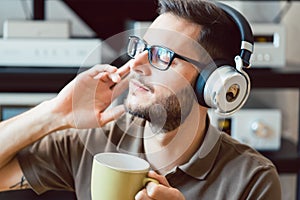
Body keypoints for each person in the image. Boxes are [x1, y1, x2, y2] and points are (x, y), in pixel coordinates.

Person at [0, 0, 281, 199]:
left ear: (211, 84)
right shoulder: (92, 141)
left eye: (162, 56)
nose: (136, 64)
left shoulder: (252, 179)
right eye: (142, 48)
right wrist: (53, 114)